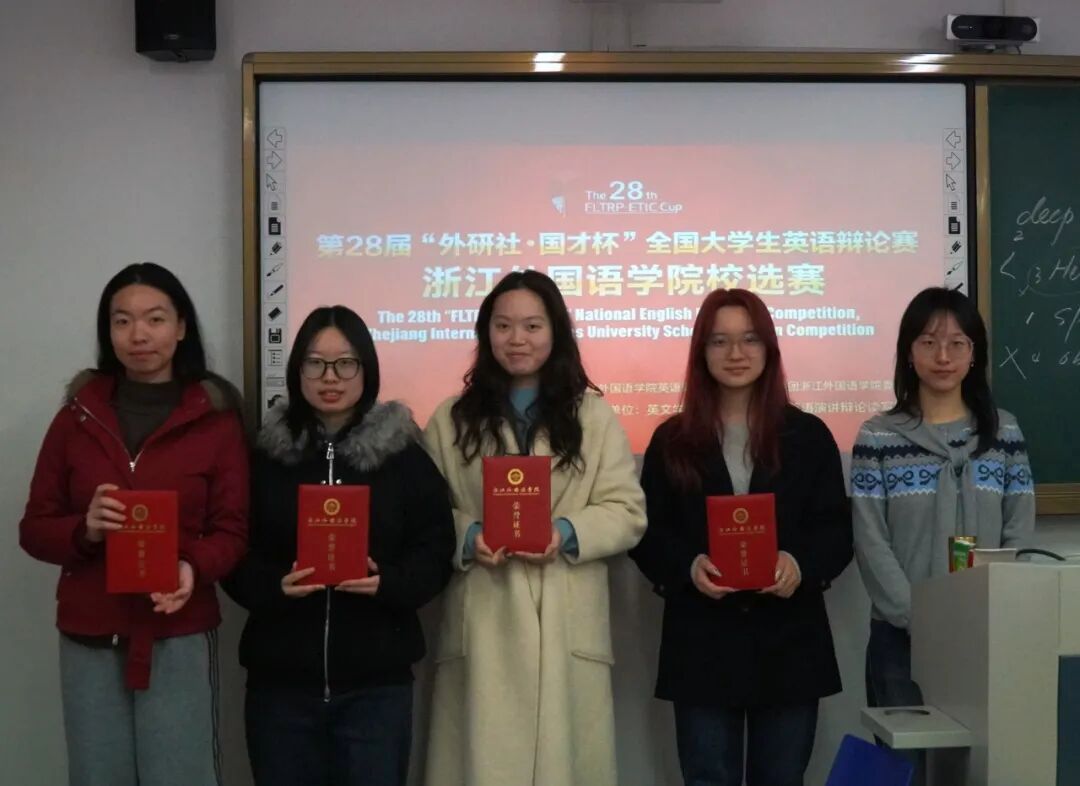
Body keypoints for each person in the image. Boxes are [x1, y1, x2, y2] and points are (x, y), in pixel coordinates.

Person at [19, 262, 248, 786]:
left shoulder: (215, 418)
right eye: (122, 321)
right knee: (97, 774)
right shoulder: (76, 416)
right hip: (90, 633)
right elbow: (34, 529)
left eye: (155, 319)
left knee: (182, 775)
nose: (138, 334)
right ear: (109, 332)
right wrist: (85, 530)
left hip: (178, 629)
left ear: (182, 327)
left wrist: (192, 569)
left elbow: (233, 531)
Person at [423, 270, 646, 786]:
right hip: (485, 614)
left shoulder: (593, 416)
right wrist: (468, 535)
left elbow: (627, 509)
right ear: (486, 333)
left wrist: (565, 531)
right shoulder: (450, 419)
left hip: (566, 613)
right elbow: (425, 515)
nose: (516, 339)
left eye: (531, 326)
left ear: (555, 331)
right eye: (503, 326)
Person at [222, 306, 454, 786]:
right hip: (281, 685)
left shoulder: (404, 457)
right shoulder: (264, 458)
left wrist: (389, 582)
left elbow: (436, 549)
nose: (330, 377)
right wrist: (275, 585)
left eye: (345, 363)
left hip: (377, 688)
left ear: (366, 369)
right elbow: (231, 548)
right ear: (297, 369)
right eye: (315, 363)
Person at [629, 288, 852, 786]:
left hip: (789, 642)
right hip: (702, 642)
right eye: (719, 341)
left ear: (769, 348)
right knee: (708, 776)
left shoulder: (808, 435)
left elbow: (837, 530)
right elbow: (647, 532)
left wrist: (800, 563)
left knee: (782, 777)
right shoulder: (672, 440)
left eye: (749, 339)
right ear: (701, 352)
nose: (735, 353)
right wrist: (688, 566)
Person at [851, 286, 1035, 783]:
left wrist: (984, 612)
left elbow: (1019, 527)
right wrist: (923, 619)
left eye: (958, 343)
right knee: (906, 770)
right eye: (929, 342)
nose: (943, 356)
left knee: (981, 768)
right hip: (900, 638)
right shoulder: (877, 436)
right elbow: (870, 540)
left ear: (975, 354)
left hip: (989, 633)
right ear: (908, 352)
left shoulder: (1004, 434)